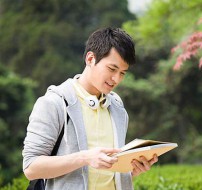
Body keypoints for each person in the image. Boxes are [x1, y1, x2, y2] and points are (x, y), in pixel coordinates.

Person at [22, 27, 158, 190]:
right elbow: (31, 168)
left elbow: (108, 175)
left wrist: (132, 169)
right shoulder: (53, 103)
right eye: (112, 69)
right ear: (90, 59)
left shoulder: (117, 107)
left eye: (122, 73)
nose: (116, 79)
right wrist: (85, 158)